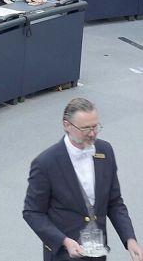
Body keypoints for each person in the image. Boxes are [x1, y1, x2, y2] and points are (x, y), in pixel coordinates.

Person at [23, 98, 143, 261]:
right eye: (86, 128)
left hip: (98, 253)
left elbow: (114, 202)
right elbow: (32, 212)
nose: (92, 133)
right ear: (67, 125)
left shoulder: (105, 151)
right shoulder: (45, 163)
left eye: (95, 126)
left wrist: (130, 239)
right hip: (64, 255)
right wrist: (64, 241)